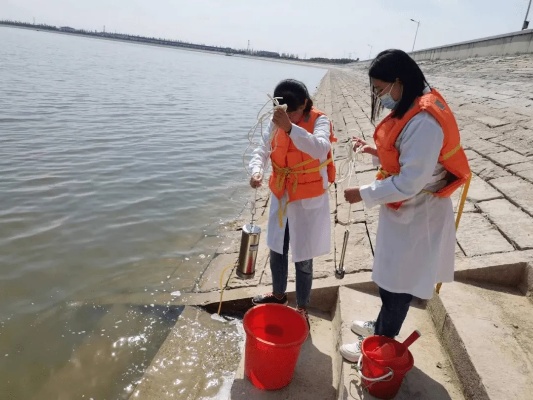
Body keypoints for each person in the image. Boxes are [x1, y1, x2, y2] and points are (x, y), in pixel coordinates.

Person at [340, 49, 471, 362]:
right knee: (389, 277)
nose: (378, 95)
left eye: (380, 89)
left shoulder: (425, 121)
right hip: (404, 210)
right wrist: (373, 150)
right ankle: (381, 327)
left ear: (399, 82)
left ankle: (380, 344)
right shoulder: (411, 104)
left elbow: (410, 182)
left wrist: (364, 193)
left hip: (419, 213)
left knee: (398, 283)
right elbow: (404, 155)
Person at [248, 79, 336, 326]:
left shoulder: (320, 120)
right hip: (282, 196)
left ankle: (302, 306)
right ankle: (278, 295)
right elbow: (262, 150)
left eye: (295, 113)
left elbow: (320, 148)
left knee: (304, 258)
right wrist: (256, 171)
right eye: (285, 114)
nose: (291, 118)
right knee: (277, 249)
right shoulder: (277, 121)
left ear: (305, 104)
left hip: (307, 200)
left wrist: (290, 129)